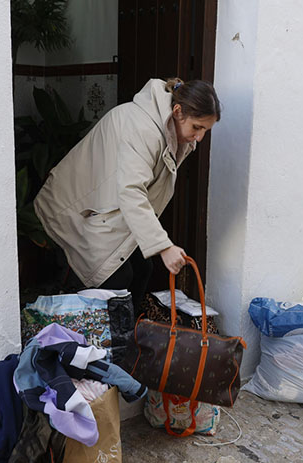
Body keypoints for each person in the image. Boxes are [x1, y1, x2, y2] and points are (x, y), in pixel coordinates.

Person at [34, 77, 221, 306]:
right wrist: (164, 246)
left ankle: (127, 334)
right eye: (197, 127)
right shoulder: (143, 129)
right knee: (116, 279)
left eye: (206, 130)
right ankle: (108, 338)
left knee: (143, 268)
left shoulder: (171, 131)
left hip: (105, 208)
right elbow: (132, 192)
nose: (200, 137)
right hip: (75, 208)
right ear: (177, 111)